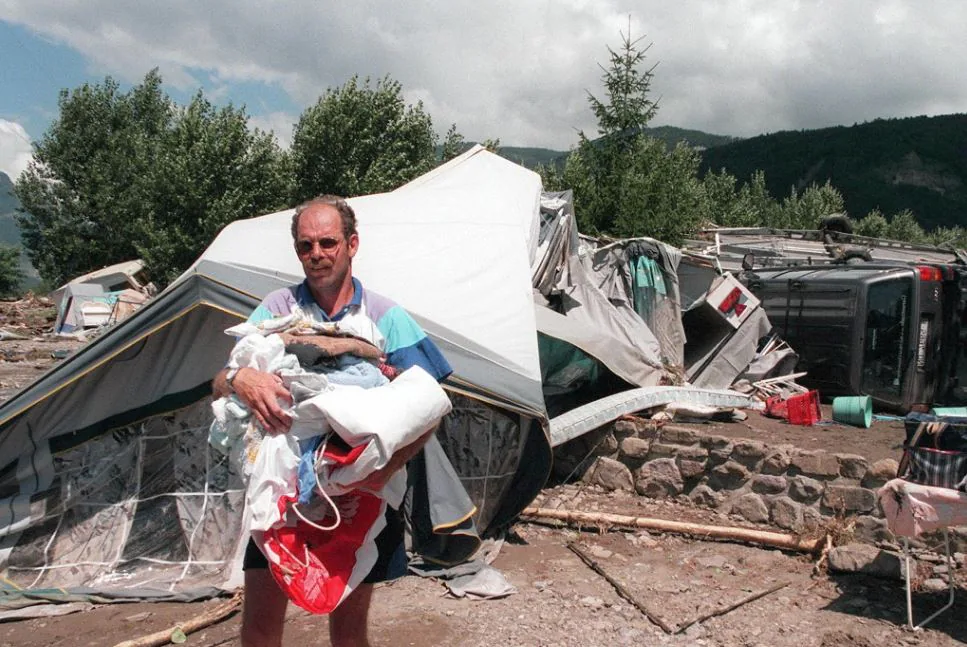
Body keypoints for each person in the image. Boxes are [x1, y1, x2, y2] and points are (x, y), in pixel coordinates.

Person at [212, 195, 452, 647]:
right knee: (261, 627)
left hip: (365, 498)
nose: (317, 255)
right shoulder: (276, 309)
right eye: (306, 246)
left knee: (348, 626)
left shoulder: (386, 317)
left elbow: (432, 405)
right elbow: (220, 382)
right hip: (280, 494)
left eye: (328, 242)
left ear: (351, 243)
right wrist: (240, 376)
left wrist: (383, 468)